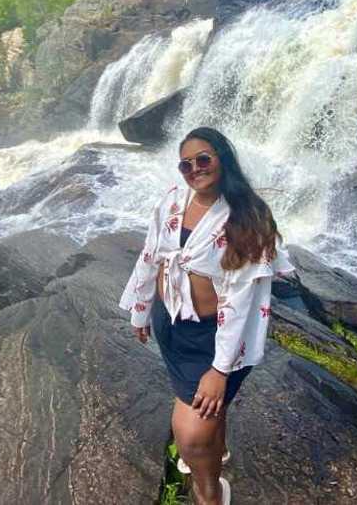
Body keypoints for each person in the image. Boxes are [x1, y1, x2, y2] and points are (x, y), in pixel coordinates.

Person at [119, 127, 293, 505]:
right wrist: (141, 308)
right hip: (172, 324)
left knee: (191, 436)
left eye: (203, 159)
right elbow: (152, 254)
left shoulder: (248, 218)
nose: (194, 169)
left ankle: (210, 493)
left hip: (216, 339)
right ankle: (216, 449)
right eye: (186, 164)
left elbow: (240, 301)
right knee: (208, 422)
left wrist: (219, 370)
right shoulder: (172, 201)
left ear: (222, 159)